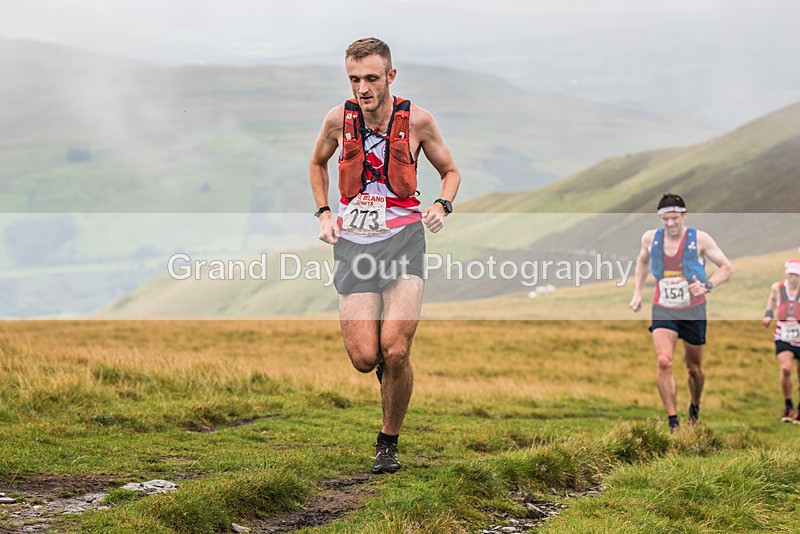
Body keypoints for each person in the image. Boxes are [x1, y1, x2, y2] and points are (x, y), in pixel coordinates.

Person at [308, 37, 461, 473]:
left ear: (391, 76)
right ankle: (387, 376)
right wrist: (323, 213)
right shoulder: (338, 120)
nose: (363, 88)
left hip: (404, 240)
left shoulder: (419, 122)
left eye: (372, 78)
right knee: (364, 358)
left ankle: (387, 442)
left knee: (395, 350)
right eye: (355, 79)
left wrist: (440, 205)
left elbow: (450, 171)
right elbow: (317, 164)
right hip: (354, 244)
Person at [629, 194, 733, 433]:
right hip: (663, 307)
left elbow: (727, 267)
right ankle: (673, 422)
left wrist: (708, 285)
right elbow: (642, 262)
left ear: (684, 215)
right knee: (664, 361)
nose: (670, 224)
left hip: (694, 309)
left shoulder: (701, 239)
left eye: (674, 218)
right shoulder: (650, 239)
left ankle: (694, 405)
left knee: (693, 369)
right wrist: (637, 293)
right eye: (665, 219)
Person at [761, 258, 800, 424]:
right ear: (786, 273)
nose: (793, 278)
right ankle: (788, 404)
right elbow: (771, 300)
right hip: (783, 334)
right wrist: (768, 315)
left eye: (797, 275)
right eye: (791, 274)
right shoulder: (777, 288)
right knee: (785, 369)